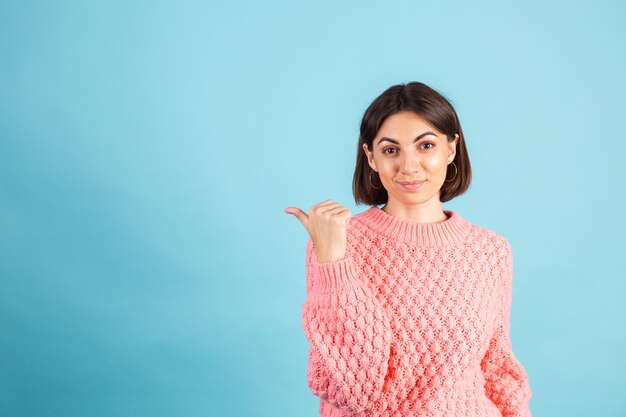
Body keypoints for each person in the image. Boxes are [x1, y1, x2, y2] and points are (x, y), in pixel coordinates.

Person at [285, 82, 532, 417]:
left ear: (451, 149)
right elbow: (350, 391)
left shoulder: (490, 251)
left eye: (425, 145)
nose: (409, 166)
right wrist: (333, 262)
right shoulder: (337, 244)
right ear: (370, 156)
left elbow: (498, 368)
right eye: (391, 150)